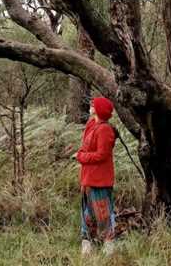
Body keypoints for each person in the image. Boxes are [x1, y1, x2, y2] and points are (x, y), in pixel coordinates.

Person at [76, 96, 117, 256]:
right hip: (88, 178)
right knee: (88, 213)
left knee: (104, 213)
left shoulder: (105, 129)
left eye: (94, 105)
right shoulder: (93, 124)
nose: (91, 105)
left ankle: (109, 247)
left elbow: (102, 155)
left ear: (98, 110)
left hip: (100, 180)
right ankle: (87, 243)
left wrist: (81, 157)